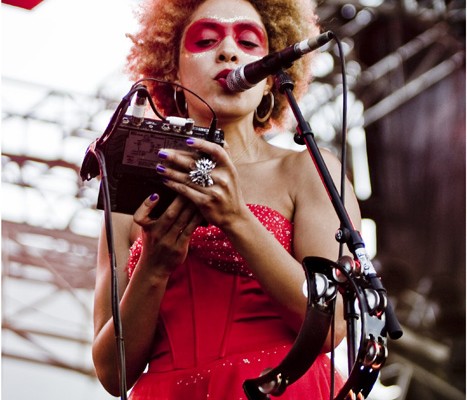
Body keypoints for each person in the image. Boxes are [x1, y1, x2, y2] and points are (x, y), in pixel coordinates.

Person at [91, 0, 362, 398]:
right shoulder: (129, 192)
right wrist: (153, 265)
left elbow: (332, 324)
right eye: (206, 39)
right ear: (171, 68)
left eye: (249, 42)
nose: (229, 52)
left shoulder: (308, 172)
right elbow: (113, 374)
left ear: (272, 76)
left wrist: (236, 218)